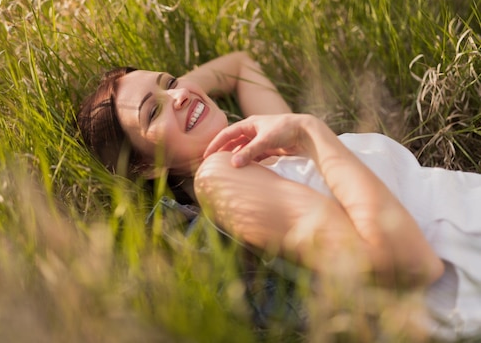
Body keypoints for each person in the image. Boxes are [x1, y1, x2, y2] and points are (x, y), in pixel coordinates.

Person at [76, 51, 481, 340]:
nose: (179, 94)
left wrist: (173, 100)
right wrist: (308, 131)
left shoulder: (264, 144)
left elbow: (239, 64)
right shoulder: (220, 179)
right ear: (149, 167)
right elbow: (407, 264)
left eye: (171, 80)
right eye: (152, 112)